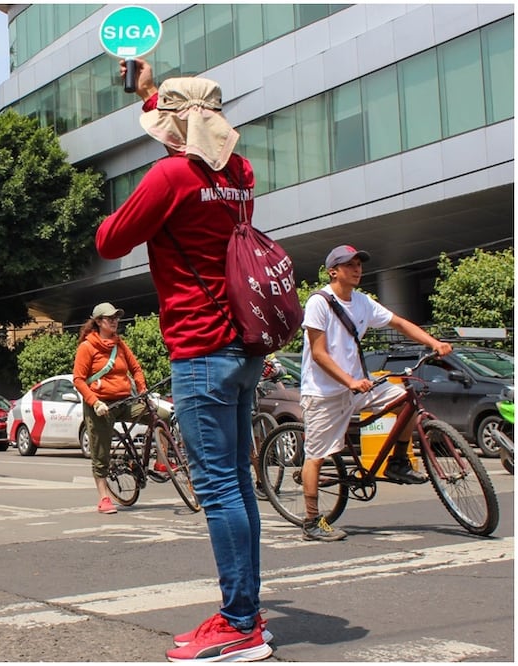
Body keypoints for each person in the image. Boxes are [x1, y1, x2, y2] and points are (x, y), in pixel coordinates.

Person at [95, 60, 271, 662]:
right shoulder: (240, 171)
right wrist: (150, 92)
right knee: (238, 483)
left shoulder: (169, 176)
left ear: (175, 126)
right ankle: (248, 610)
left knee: (217, 488)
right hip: (243, 345)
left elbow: (110, 241)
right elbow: (192, 148)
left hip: (200, 350)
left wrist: (115, 212)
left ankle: (240, 623)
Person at [299, 245, 452, 541]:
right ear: (333, 272)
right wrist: (349, 381)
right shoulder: (319, 302)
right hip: (324, 393)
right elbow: (319, 353)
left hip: (359, 386)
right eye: (349, 265)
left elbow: (400, 323)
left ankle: (398, 462)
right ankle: (311, 522)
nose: (357, 269)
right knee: (316, 457)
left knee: (405, 401)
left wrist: (434, 343)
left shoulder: (362, 302)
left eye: (359, 264)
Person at [72, 302, 148, 514]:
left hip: (124, 401)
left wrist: (142, 389)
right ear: (98, 322)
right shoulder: (87, 347)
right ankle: (104, 497)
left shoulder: (119, 344)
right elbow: (78, 380)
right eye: (110, 318)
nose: (114, 321)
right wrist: (95, 402)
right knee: (101, 453)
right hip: (101, 405)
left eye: (116, 317)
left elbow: (136, 369)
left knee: (159, 416)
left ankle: (162, 462)